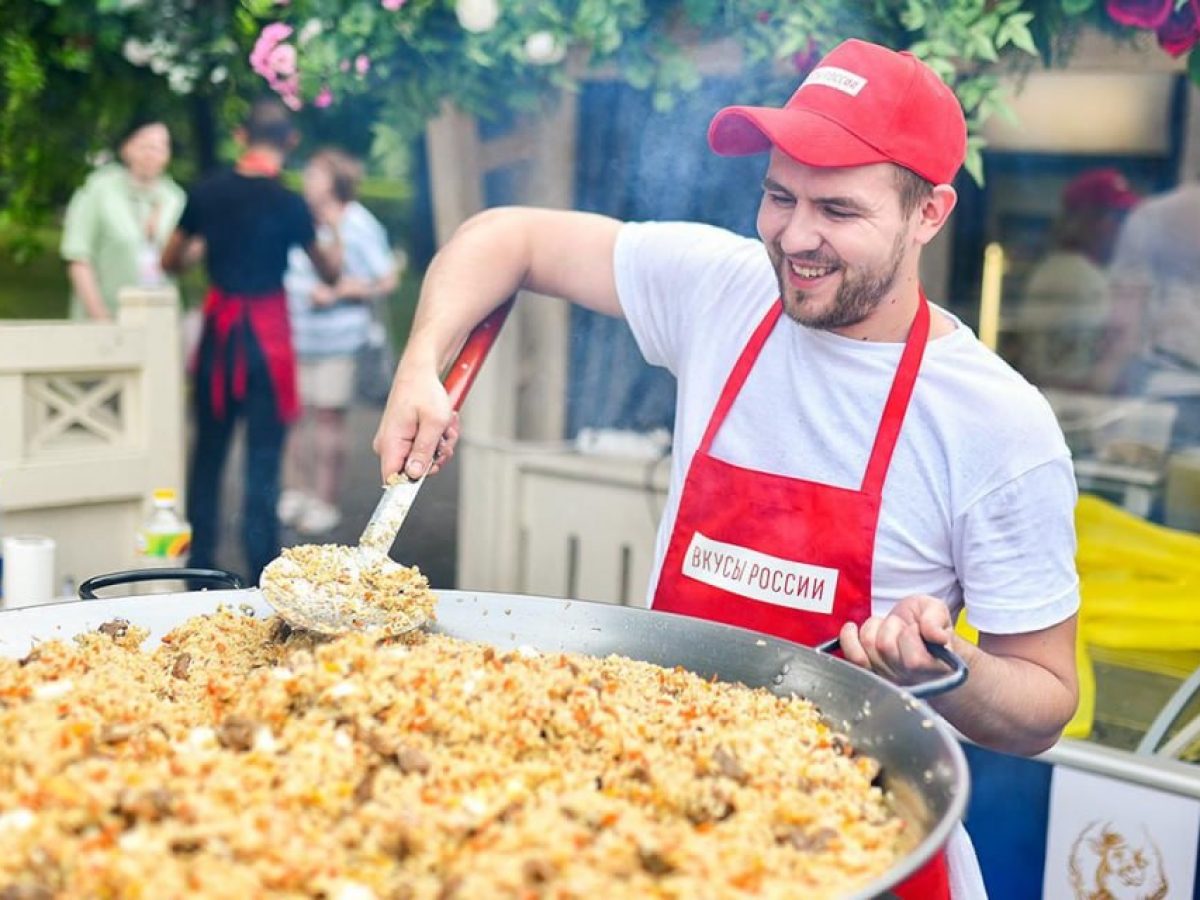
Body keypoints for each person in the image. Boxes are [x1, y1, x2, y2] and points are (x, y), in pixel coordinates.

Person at [374, 39, 1080, 899]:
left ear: (929, 212)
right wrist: (420, 366)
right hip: (663, 822)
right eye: (779, 197)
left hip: (851, 844)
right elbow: (506, 236)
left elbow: (1045, 703)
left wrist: (943, 673)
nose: (796, 236)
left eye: (838, 210)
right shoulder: (723, 291)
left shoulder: (996, 424)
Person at [161, 97, 340, 584]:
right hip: (267, 340)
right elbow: (329, 269)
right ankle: (263, 570)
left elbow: (170, 261)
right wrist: (328, 227)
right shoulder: (290, 203)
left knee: (208, 455)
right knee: (264, 456)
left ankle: (197, 569)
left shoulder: (207, 192)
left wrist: (204, 249)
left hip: (221, 337)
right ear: (290, 141)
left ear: (241, 136)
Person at [279, 149, 398, 535]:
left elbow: (386, 279)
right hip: (296, 336)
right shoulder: (301, 219)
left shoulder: (360, 223)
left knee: (328, 418)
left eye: (316, 174)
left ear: (336, 181)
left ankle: (325, 501)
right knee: (293, 418)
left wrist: (341, 291)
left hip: (339, 341)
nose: (308, 181)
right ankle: (296, 491)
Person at [1094, 180, 1200, 452]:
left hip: (1164, 388)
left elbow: (1124, 320)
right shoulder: (1153, 216)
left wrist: (1104, 390)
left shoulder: (1153, 216)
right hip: (1168, 386)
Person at [1012, 168, 1139, 388]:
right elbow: (1071, 377)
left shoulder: (1076, 270)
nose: (1123, 228)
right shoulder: (1076, 278)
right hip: (1073, 412)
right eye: (1116, 217)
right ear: (1087, 220)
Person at [60, 117, 186, 320]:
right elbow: (78, 256)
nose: (152, 154)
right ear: (125, 148)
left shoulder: (175, 198)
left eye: (161, 147)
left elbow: (182, 262)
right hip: (105, 317)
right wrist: (101, 318)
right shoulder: (98, 189)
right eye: (145, 146)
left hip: (160, 320)